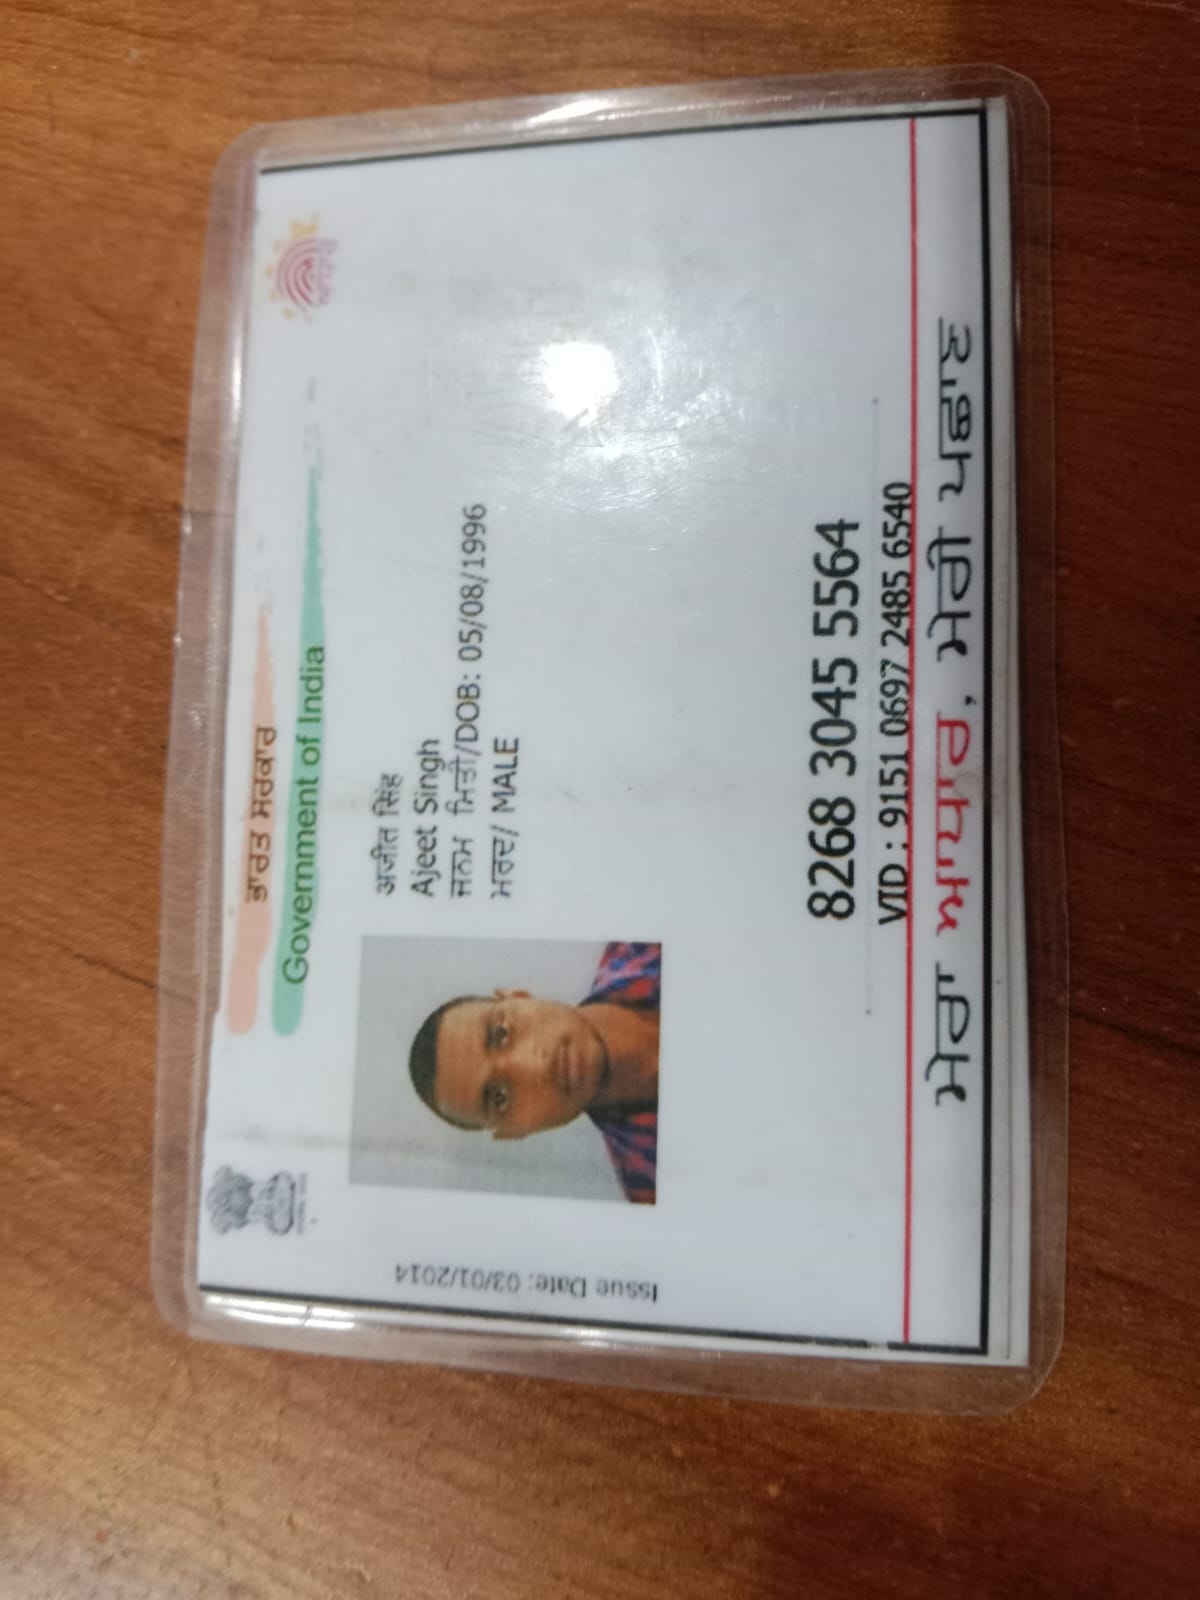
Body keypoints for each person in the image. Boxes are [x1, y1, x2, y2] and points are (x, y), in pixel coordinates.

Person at [408, 942, 660, 1203]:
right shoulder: (651, 1188)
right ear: (515, 1133)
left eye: (502, 1033)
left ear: (518, 996)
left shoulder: (644, 944)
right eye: (500, 1098)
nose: (537, 1066)